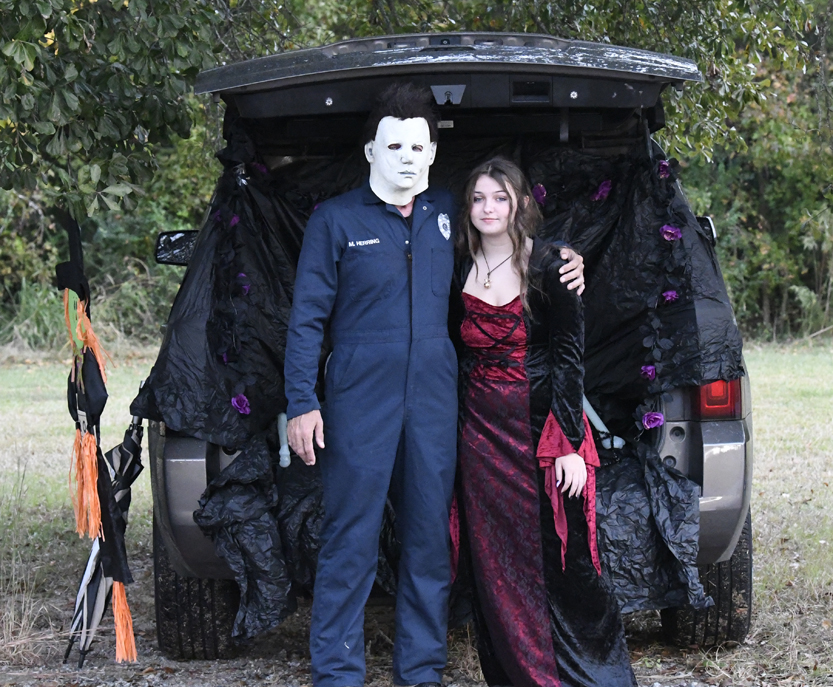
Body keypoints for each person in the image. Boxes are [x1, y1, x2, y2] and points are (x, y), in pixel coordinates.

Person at [284, 84, 585, 687]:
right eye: (393, 146)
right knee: (349, 539)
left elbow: (504, 244)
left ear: (432, 153)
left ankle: (421, 670)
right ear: (370, 151)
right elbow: (307, 317)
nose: (405, 158)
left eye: (417, 147)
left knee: (429, 540)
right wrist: (301, 402)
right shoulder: (335, 220)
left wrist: (562, 258)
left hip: (434, 402)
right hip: (359, 400)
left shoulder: (445, 213)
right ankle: (337, 673)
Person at [451, 157, 637, 687]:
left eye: (500, 198)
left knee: (564, 558)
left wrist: (570, 444)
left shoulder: (553, 267)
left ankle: (587, 676)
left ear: (521, 204)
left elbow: (568, 359)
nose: (489, 208)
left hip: (541, 433)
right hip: (479, 440)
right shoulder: (454, 269)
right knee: (496, 561)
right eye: (479, 198)